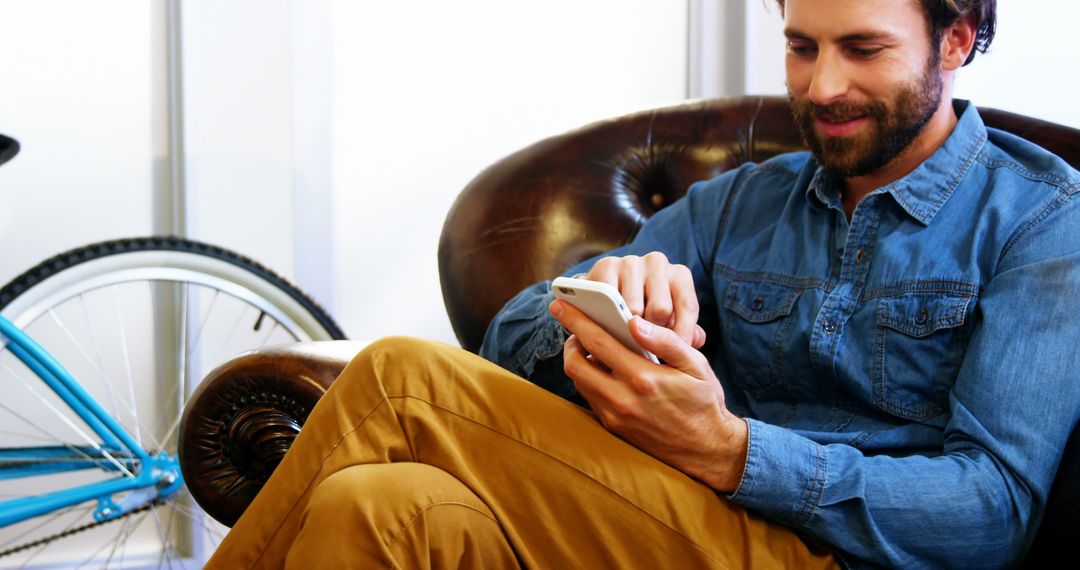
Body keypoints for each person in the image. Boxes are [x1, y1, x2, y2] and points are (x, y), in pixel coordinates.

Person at [207, 0, 1080, 567]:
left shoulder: (1043, 221)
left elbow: (991, 511)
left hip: (842, 557)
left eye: (863, 49)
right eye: (801, 46)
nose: (823, 86)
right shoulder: (743, 201)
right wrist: (598, 301)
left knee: (399, 378)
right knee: (377, 503)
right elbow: (507, 338)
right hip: (670, 523)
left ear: (956, 41)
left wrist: (733, 451)